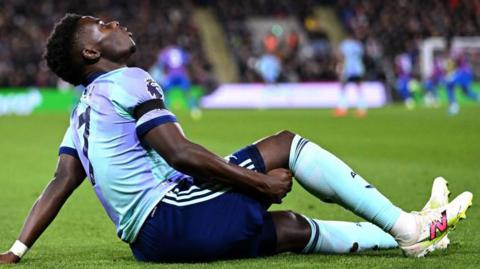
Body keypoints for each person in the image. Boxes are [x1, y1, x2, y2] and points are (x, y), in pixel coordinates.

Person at [0, 14, 473, 264]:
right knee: (285, 144)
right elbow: (180, 154)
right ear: (90, 51)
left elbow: (61, 181)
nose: (116, 25)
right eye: (103, 26)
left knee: (288, 229)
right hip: (172, 215)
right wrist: (257, 183)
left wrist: (17, 250)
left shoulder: (82, 109)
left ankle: (409, 231)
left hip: (151, 246)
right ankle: (410, 229)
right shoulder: (128, 80)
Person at [335, 33, 367, 118]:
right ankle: (362, 109)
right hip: (358, 68)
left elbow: (341, 56)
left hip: (348, 69)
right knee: (359, 88)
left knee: (343, 88)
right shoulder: (358, 45)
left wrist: (339, 67)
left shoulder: (345, 44)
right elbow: (362, 55)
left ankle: (342, 109)